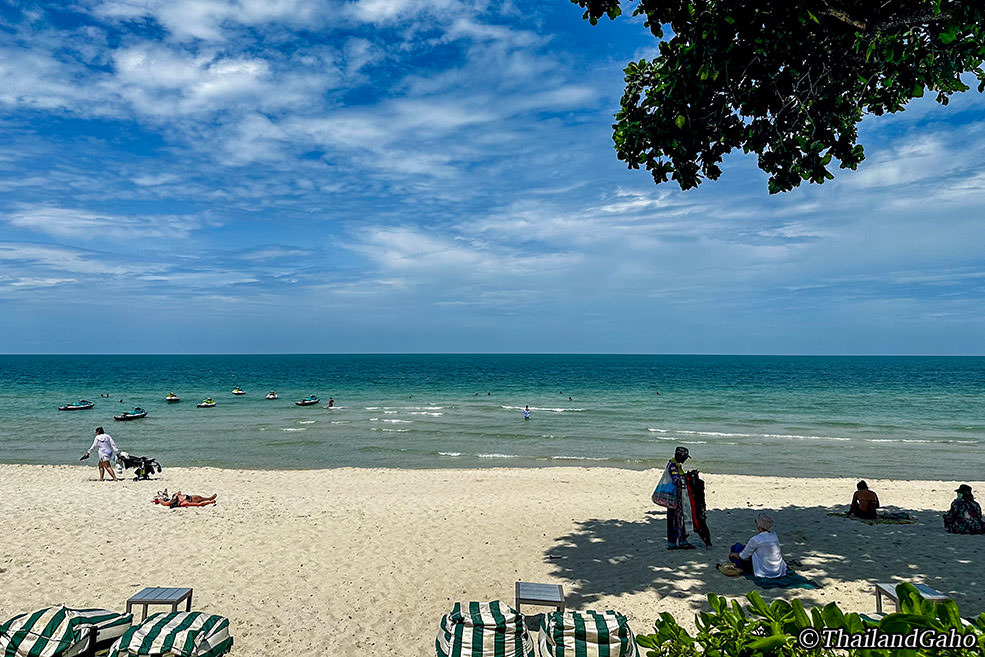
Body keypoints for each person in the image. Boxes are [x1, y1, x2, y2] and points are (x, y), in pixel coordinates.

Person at [729, 513, 787, 578]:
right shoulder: (774, 535)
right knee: (742, 547)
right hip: (778, 570)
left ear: (758, 525)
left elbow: (743, 556)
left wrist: (733, 554)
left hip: (763, 572)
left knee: (736, 548)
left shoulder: (755, 539)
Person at [666, 446, 693, 549]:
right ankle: (673, 542)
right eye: (685, 457)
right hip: (674, 498)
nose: (685, 460)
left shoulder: (676, 465)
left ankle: (680, 540)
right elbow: (676, 480)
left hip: (679, 497)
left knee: (679, 518)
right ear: (681, 456)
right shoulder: (673, 466)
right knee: (674, 520)